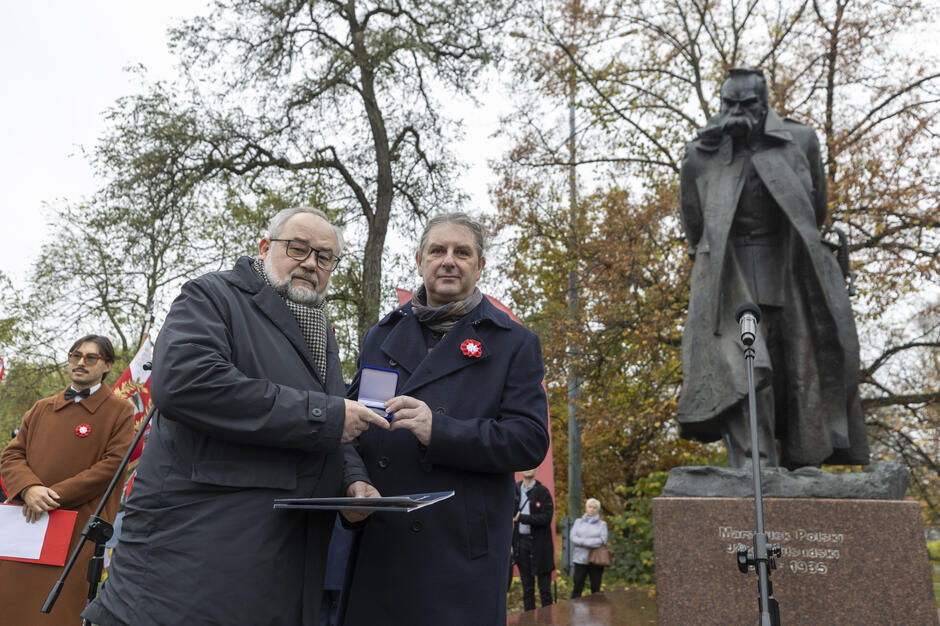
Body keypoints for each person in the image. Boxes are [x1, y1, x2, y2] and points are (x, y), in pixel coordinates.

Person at [83, 207, 388, 626]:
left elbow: (334, 421)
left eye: (324, 257)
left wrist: (353, 479)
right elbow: (187, 383)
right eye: (297, 248)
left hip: (281, 564)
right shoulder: (211, 296)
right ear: (264, 248)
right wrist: (326, 415)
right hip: (191, 567)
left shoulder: (320, 331)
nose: (310, 263)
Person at [342, 212, 551, 625]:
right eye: (438, 251)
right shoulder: (380, 336)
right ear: (420, 261)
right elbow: (350, 425)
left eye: (462, 252)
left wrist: (439, 430)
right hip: (383, 543)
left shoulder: (513, 342)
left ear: (480, 265)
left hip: (460, 553)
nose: (449, 260)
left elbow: (528, 440)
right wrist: (353, 479)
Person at [677, 67, 870, 468]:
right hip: (729, 278)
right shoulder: (699, 156)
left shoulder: (801, 141)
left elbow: (815, 211)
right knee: (743, 367)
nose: (736, 113)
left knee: (799, 366)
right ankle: (755, 465)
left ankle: (802, 461)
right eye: (729, 104)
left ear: (764, 104)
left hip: (790, 272)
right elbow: (694, 226)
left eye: (746, 104)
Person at [0, 335, 135, 625]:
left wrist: (50, 496)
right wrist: (29, 488)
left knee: (56, 612)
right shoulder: (41, 408)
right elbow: (11, 455)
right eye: (75, 356)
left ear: (107, 365)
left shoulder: (121, 411)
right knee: (11, 604)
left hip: (76, 529)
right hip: (26, 524)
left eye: (91, 357)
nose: (80, 363)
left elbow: (112, 466)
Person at [512, 467, 555, 610]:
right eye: (525, 466)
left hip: (540, 545)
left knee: (545, 590)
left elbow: (547, 517)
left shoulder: (542, 491)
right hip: (521, 544)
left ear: (536, 470)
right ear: (520, 471)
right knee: (527, 589)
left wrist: (523, 518)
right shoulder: (515, 490)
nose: (528, 469)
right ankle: (528, 619)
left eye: (531, 466)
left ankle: (547, 619)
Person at [569, 498, 608, 598]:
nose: (592, 509)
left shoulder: (602, 524)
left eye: (594, 508)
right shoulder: (578, 522)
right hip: (580, 559)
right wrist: (590, 542)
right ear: (586, 508)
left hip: (596, 560)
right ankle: (575, 607)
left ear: (597, 510)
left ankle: (596, 607)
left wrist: (583, 542)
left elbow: (602, 540)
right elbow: (573, 537)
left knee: (595, 588)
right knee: (577, 586)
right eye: (590, 507)